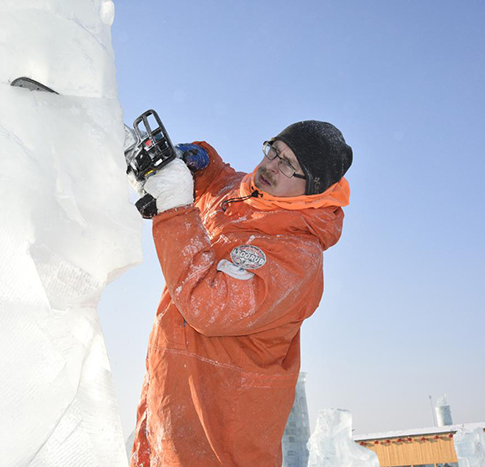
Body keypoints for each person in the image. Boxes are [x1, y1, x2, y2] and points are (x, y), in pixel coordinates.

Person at [129, 120, 353, 466]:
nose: (270, 166)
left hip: (222, 439)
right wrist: (199, 162)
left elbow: (207, 307)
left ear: (312, 188)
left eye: (288, 164)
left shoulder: (297, 258)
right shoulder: (244, 193)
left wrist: (173, 206)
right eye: (274, 150)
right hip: (167, 410)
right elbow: (219, 179)